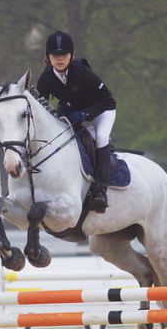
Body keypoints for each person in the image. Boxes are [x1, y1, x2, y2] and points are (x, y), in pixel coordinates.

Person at [36, 30, 116, 213]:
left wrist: (85, 115)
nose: (59, 59)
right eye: (55, 55)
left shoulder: (82, 73)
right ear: (48, 57)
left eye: (63, 54)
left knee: (101, 137)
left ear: (71, 55)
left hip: (100, 110)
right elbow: (41, 106)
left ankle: (101, 191)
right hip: (72, 111)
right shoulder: (46, 77)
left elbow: (109, 100)